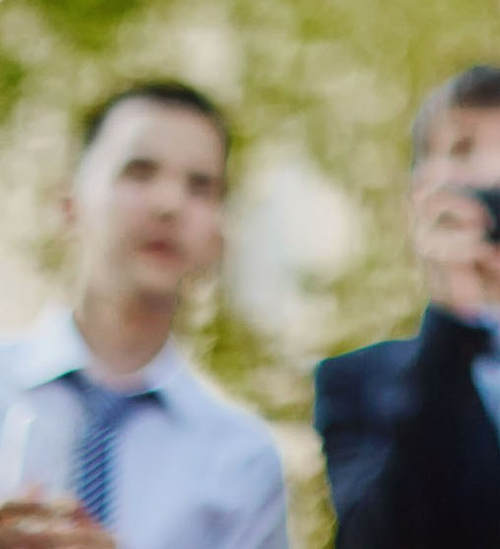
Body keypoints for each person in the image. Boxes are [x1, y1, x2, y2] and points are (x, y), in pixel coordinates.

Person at [0, 82, 287, 549]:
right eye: (139, 171)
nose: (168, 204)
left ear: (219, 234)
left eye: (201, 186)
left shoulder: (242, 461)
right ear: (68, 204)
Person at [313, 66, 500, 549]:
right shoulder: (354, 382)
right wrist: (452, 321)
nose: (494, 173)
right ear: (417, 194)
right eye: (463, 150)